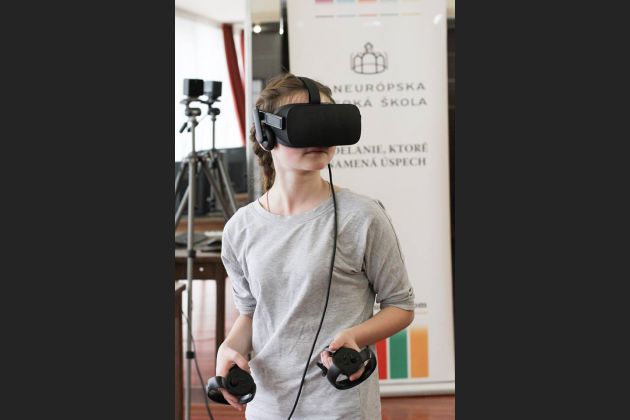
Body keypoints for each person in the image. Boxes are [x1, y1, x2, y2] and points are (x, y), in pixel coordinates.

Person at [216, 72, 415, 419]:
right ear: (266, 134)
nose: (319, 137)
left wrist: (355, 335)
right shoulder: (240, 228)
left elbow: (401, 305)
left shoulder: (362, 216)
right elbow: (251, 312)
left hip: (340, 406)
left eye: (327, 123)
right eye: (305, 125)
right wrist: (229, 347)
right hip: (268, 406)